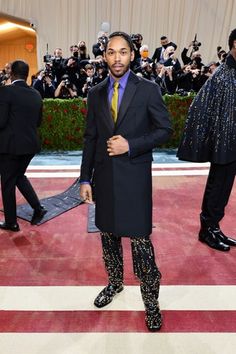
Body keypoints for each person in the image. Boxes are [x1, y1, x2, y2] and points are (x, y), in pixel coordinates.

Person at [79, 31, 172, 331]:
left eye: (123, 52)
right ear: (104, 56)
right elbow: (91, 139)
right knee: (108, 238)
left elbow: (164, 130)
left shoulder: (148, 89)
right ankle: (115, 283)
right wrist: (84, 178)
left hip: (135, 180)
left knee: (141, 244)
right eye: (111, 52)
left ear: (132, 55)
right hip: (104, 179)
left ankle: (151, 303)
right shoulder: (94, 94)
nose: (116, 57)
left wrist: (130, 145)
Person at [177, 28, 236, 252]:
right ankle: (207, 230)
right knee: (217, 185)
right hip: (223, 141)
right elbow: (201, 106)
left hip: (231, 141)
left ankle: (215, 227)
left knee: (225, 186)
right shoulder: (222, 74)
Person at [0, 60, 47, 232]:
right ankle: (38, 208)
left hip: (10, 147)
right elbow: (38, 122)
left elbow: (1, 121)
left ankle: (11, 222)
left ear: (11, 73)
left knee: (7, 183)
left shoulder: (6, 91)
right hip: (30, 146)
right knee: (18, 176)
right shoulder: (35, 94)